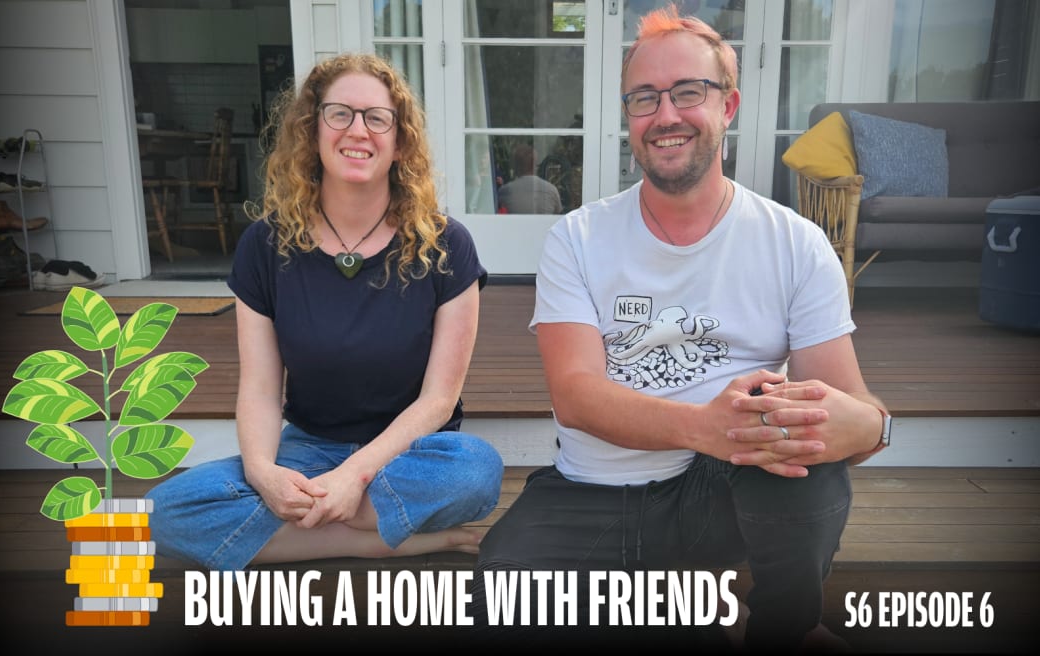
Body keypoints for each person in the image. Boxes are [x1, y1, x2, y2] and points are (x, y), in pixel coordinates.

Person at [472, 6, 890, 651]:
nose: (665, 115)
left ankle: (784, 628)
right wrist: (706, 426)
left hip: (720, 495)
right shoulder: (577, 238)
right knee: (498, 600)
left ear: (729, 106)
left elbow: (850, 406)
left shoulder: (796, 244)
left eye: (689, 91)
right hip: (593, 491)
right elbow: (576, 395)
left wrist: (868, 425)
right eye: (645, 98)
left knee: (804, 454)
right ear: (628, 116)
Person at [147, 53, 503, 570]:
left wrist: (353, 477)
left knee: (476, 471)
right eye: (340, 114)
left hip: (408, 456)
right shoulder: (264, 246)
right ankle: (383, 538)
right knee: (163, 511)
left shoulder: (446, 244)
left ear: (400, 142)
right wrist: (265, 473)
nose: (358, 130)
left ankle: (296, 535)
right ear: (311, 131)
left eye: (377, 118)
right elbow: (262, 390)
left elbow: (438, 401)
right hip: (307, 451)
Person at [497, 143, 563, 214]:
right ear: (535, 165)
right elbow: (558, 215)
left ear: (516, 166)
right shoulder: (551, 189)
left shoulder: (505, 191)